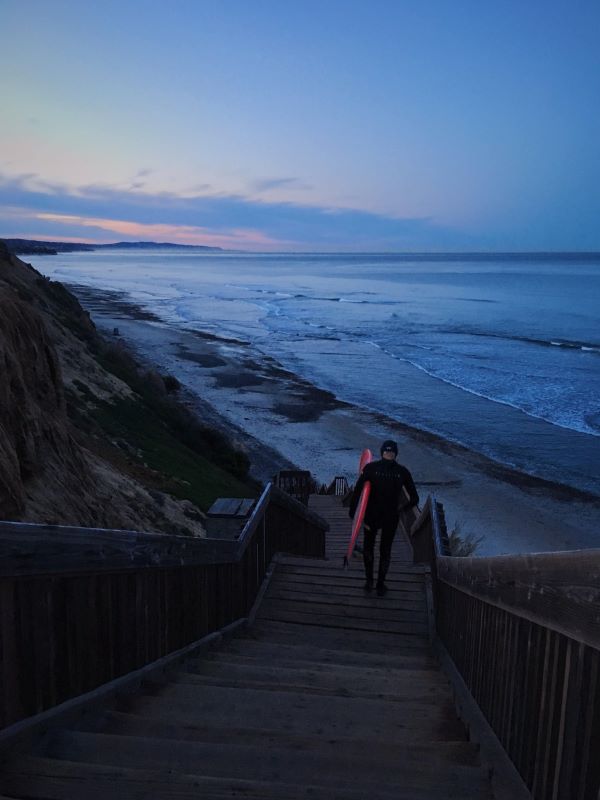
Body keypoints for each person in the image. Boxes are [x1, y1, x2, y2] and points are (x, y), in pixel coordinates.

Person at [349, 440, 419, 596]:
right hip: (390, 518)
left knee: (369, 548)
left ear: (382, 452)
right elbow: (414, 499)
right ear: (395, 454)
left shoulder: (370, 468)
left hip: (371, 516)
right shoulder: (402, 472)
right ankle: (380, 585)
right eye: (390, 451)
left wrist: (353, 513)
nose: (388, 453)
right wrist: (401, 509)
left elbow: (358, 492)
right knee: (385, 551)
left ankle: (369, 582)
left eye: (388, 451)